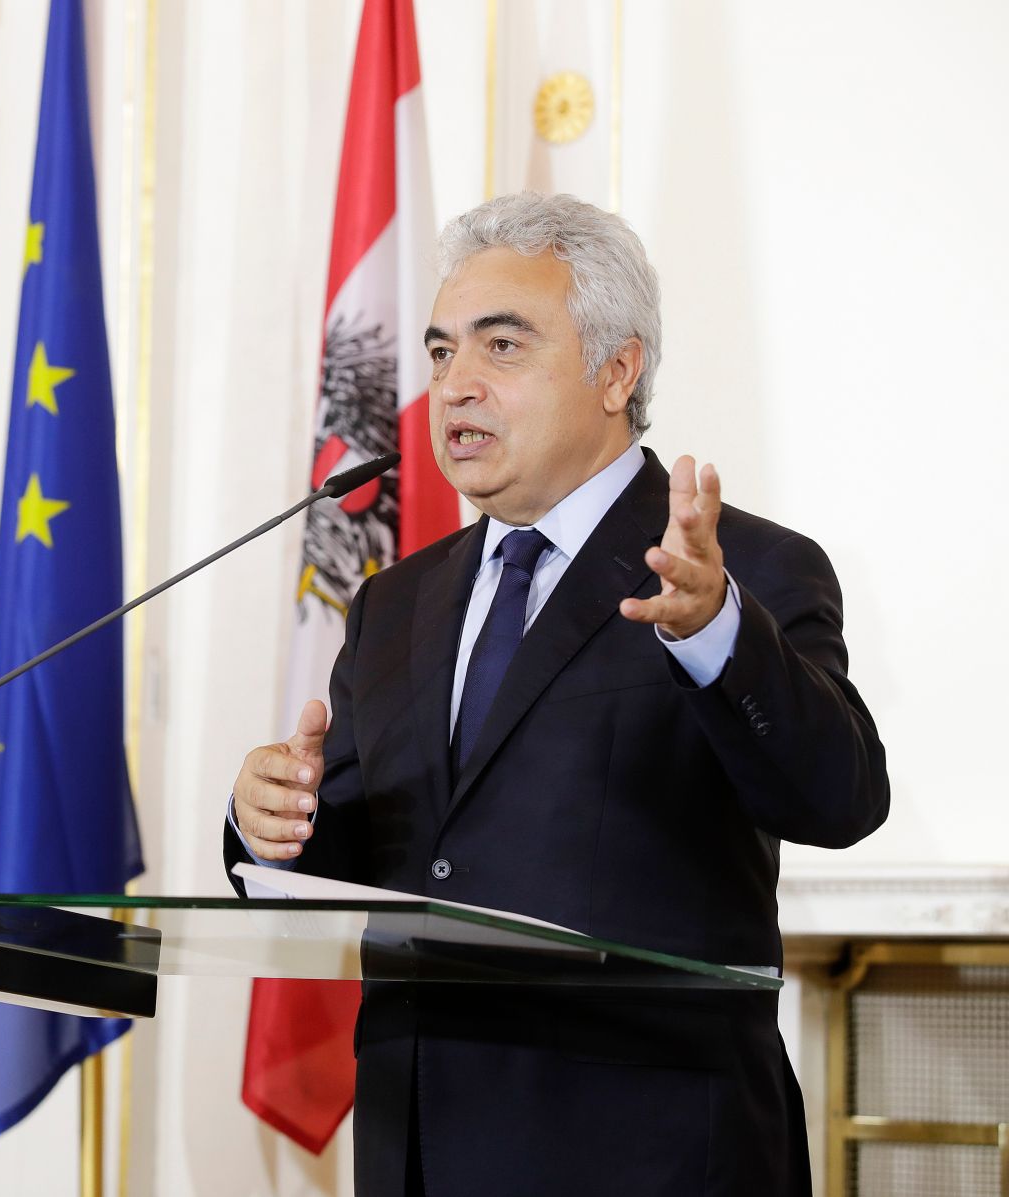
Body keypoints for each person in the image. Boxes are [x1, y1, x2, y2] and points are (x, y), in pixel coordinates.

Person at [227, 192, 888, 1196]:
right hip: (419, 1149)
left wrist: (715, 631)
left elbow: (839, 799)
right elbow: (372, 851)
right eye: (442, 351)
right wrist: (269, 820)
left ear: (616, 370)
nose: (455, 385)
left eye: (501, 346)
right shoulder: (394, 603)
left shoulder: (742, 572)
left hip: (650, 1160)